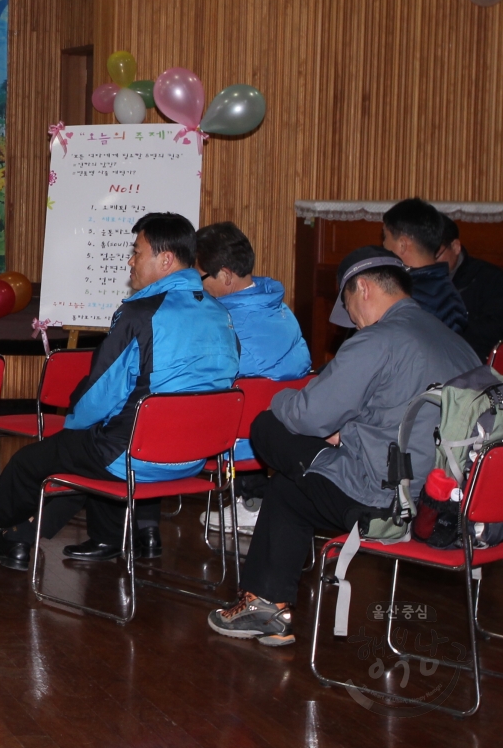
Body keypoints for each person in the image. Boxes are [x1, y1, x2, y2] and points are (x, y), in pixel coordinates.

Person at [208, 247, 479, 647]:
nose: (351, 319)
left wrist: (282, 399)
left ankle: (264, 606)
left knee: (269, 429)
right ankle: (265, 603)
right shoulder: (455, 342)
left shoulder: (377, 340)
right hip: (450, 506)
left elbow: (306, 416)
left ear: (363, 289)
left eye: (349, 306)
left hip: (389, 504)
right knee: (293, 484)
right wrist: (347, 429)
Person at [0, 213, 240, 570]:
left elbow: (99, 395)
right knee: (90, 449)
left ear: (165, 260)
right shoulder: (220, 314)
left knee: (35, 460)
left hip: (137, 455)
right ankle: (63, 539)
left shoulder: (139, 314)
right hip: (195, 457)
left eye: (137, 252)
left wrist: (74, 418)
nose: (130, 261)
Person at [195, 221, 312, 534]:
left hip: (238, 442)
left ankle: (251, 502)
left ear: (227, 276)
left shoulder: (222, 325)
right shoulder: (282, 310)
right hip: (291, 434)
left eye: (201, 277)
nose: (198, 285)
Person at [381, 198, 467, 334]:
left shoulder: (402, 297)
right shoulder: (450, 293)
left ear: (402, 245)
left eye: (385, 237)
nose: (383, 245)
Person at [436, 215, 503, 361]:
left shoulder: (491, 279)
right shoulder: (414, 275)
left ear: (455, 247)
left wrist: (451, 322)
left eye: (436, 255)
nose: (428, 262)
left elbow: (495, 330)